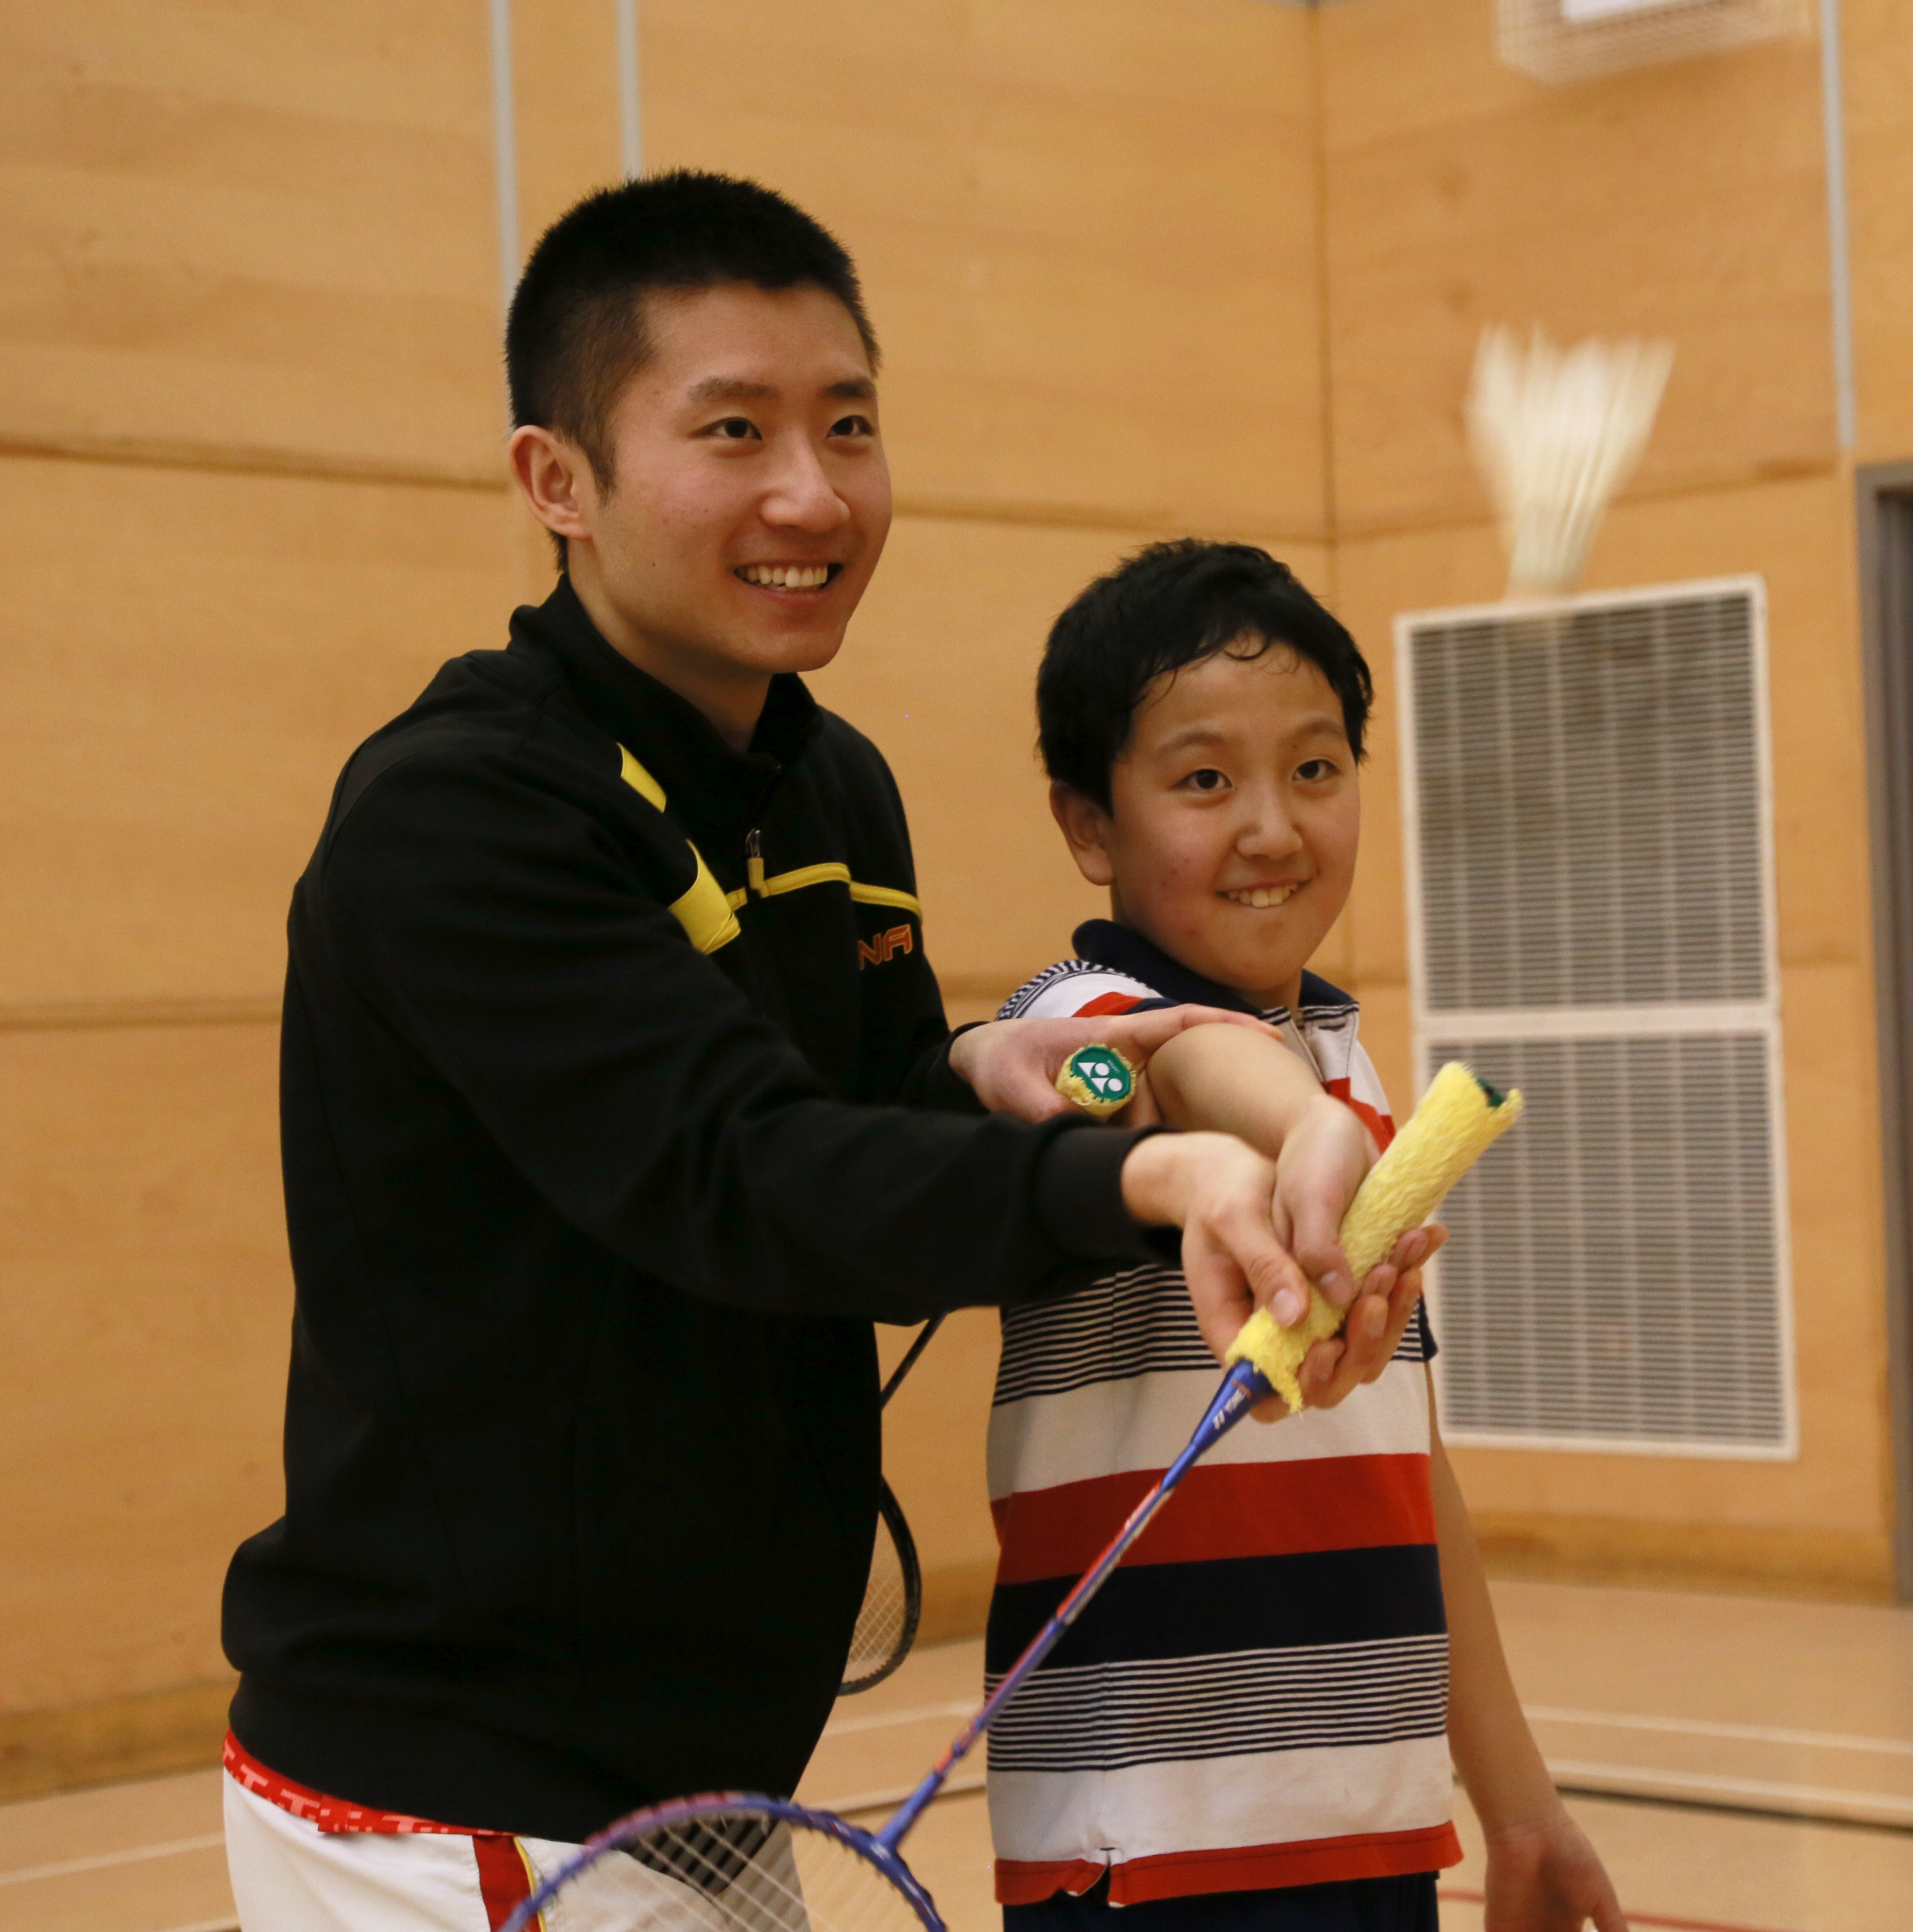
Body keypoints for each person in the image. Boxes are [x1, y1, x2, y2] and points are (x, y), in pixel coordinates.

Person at [215, 175, 1421, 1931]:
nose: (812, 492)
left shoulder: (826, 782)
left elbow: (902, 1104)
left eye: (847, 425)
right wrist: (1150, 1166)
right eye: (733, 430)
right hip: (461, 1802)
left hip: (706, 1776)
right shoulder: (463, 816)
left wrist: (1104, 1073)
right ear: (556, 481)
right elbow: (750, 1170)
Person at [985, 541, 1628, 1931]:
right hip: (1144, 1839)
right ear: (1087, 824)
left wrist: (1514, 1805)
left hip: (1368, 1822)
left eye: (1316, 769)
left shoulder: (1348, 1058)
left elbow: (1408, 1463)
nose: (1273, 827)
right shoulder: (1069, 1029)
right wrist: (1302, 1127)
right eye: (1204, 780)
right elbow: (1165, 1077)